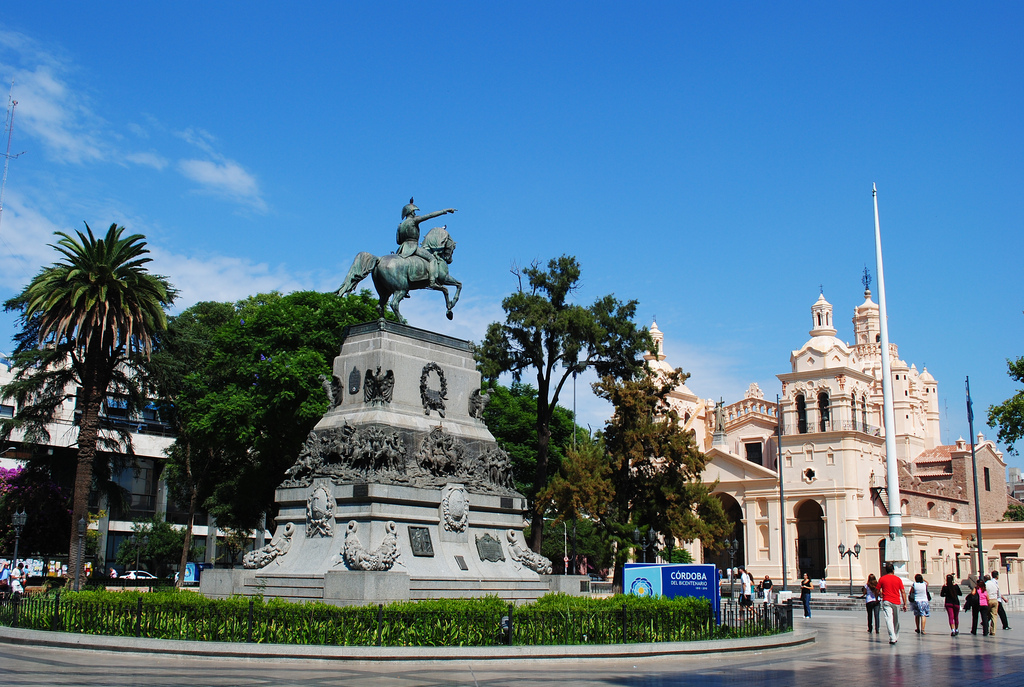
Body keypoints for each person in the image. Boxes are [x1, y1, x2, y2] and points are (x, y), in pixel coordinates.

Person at [395, 198, 457, 287]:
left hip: (402, 249)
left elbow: (398, 241)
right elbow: (430, 215)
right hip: (413, 247)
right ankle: (432, 281)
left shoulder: (400, 225)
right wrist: (444, 211)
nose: (415, 214)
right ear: (411, 212)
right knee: (432, 259)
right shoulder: (413, 220)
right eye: (414, 212)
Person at [877, 563, 907, 644]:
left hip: (886, 600)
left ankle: (892, 636)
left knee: (888, 619)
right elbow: (903, 592)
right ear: (893, 570)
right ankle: (895, 636)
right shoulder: (898, 579)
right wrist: (905, 603)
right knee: (896, 620)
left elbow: (877, 590)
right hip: (896, 601)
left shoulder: (882, 579)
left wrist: (879, 595)